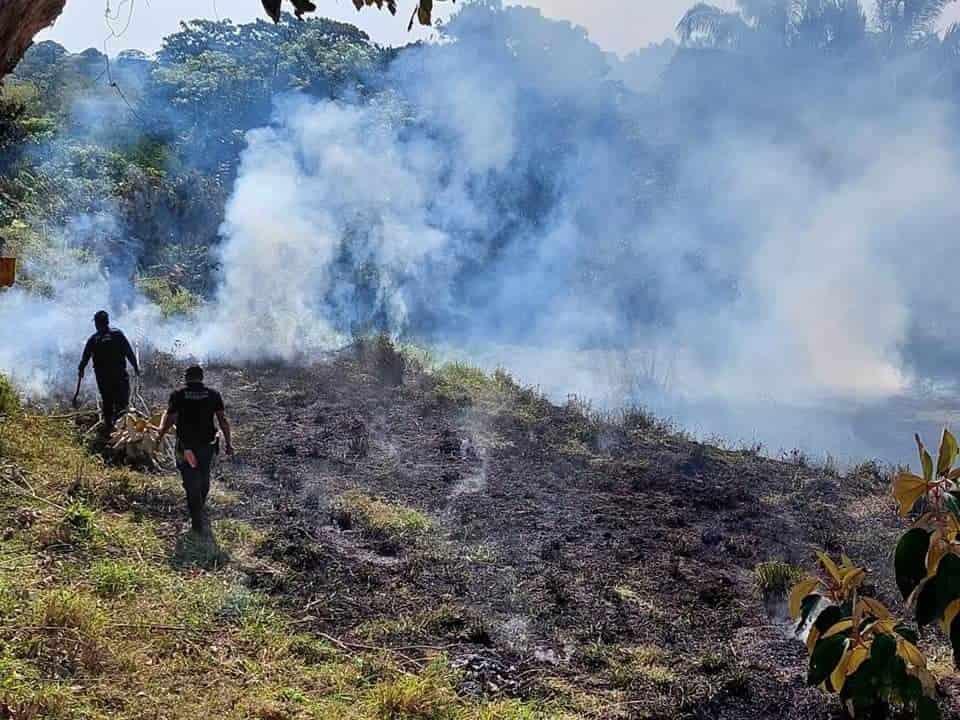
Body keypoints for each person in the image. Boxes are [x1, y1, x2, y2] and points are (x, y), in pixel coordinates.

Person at [157, 365, 234, 534]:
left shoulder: (178, 395)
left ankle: (196, 519)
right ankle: (199, 509)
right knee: (204, 476)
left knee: (189, 480)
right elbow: (223, 420)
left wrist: (160, 436)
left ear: (186, 377)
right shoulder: (213, 394)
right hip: (207, 446)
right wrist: (229, 443)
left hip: (186, 447)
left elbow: (169, 419)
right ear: (202, 377)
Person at [75, 310, 140, 429]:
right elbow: (129, 352)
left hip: (103, 378)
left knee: (107, 400)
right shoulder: (117, 334)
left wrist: (81, 369)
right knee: (122, 400)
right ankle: (122, 423)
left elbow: (85, 358)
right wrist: (135, 366)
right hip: (119, 375)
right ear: (107, 321)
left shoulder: (93, 340)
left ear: (96, 324)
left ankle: (110, 426)